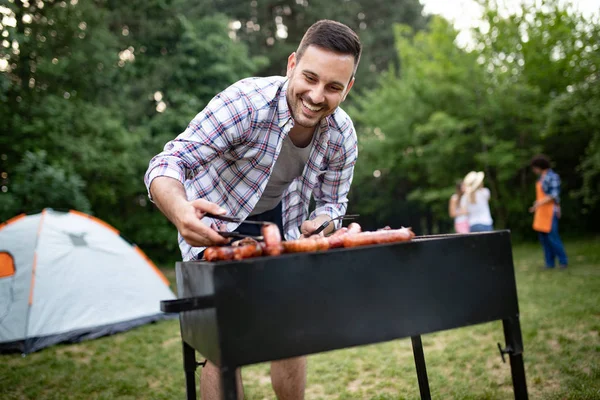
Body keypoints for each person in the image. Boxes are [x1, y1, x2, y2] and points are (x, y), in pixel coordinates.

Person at [144, 20, 362, 400]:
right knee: (228, 342)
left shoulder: (342, 135)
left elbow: (333, 203)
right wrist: (180, 211)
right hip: (215, 220)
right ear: (291, 64)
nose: (315, 95)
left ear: (348, 88)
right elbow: (168, 162)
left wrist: (324, 224)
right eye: (309, 77)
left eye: (332, 87)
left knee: (292, 331)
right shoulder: (245, 102)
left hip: (283, 223)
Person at [529, 154, 568, 269]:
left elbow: (554, 195)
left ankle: (563, 261)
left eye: (534, 167)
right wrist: (536, 206)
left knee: (553, 238)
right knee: (544, 240)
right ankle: (549, 263)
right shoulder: (541, 178)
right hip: (541, 212)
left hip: (550, 211)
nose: (534, 170)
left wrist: (539, 203)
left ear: (539, 166)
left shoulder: (552, 176)